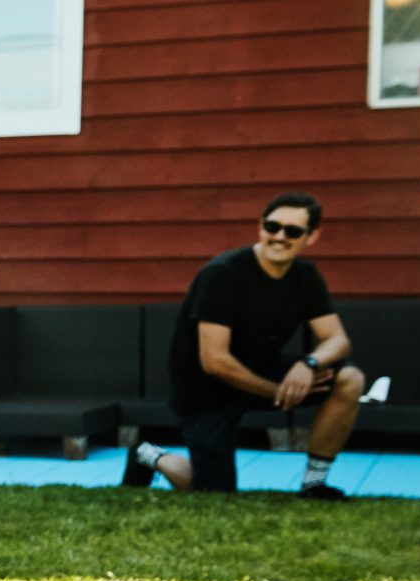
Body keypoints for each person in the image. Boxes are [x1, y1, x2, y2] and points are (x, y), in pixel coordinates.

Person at [124, 192, 367, 499]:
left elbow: (337, 339)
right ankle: (149, 454)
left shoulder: (305, 276)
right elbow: (215, 361)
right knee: (214, 493)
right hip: (206, 391)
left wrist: (309, 364)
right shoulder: (222, 274)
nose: (279, 237)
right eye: (272, 226)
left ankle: (313, 485)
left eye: (292, 231)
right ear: (260, 226)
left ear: (312, 236)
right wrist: (277, 391)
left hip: (259, 371)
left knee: (349, 379)